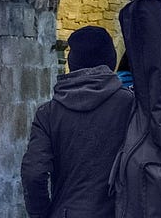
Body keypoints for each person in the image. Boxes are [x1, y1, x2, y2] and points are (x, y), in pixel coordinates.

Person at [21, 26, 136, 218]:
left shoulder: (48, 113)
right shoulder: (131, 105)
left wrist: (41, 214)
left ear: (72, 63)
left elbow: (33, 173)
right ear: (110, 60)